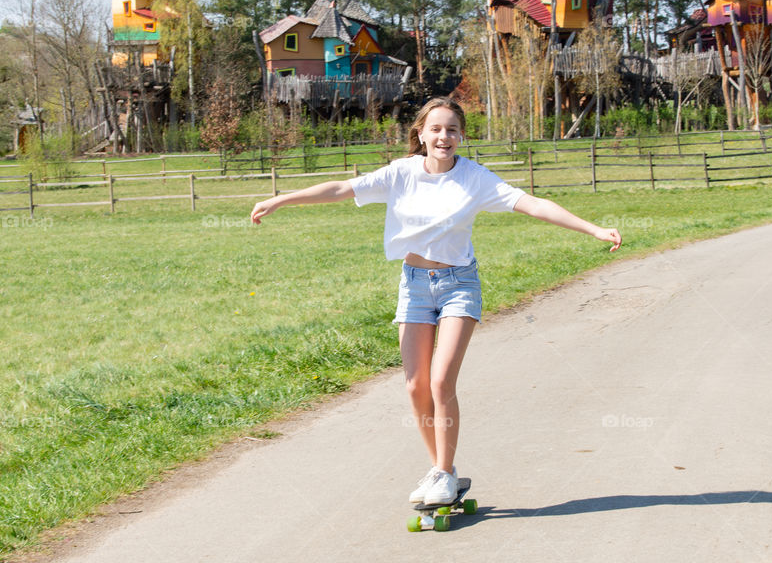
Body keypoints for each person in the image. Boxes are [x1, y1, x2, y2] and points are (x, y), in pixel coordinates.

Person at [250, 97, 622, 504]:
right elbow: (342, 188)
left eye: (452, 130)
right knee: (414, 386)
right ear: (421, 134)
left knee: (441, 379)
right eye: (436, 129)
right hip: (413, 285)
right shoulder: (401, 173)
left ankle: (443, 472)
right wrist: (281, 199)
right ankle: (440, 469)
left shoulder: (475, 178)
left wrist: (594, 229)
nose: (444, 136)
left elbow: (532, 204)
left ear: (461, 136)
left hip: (458, 284)